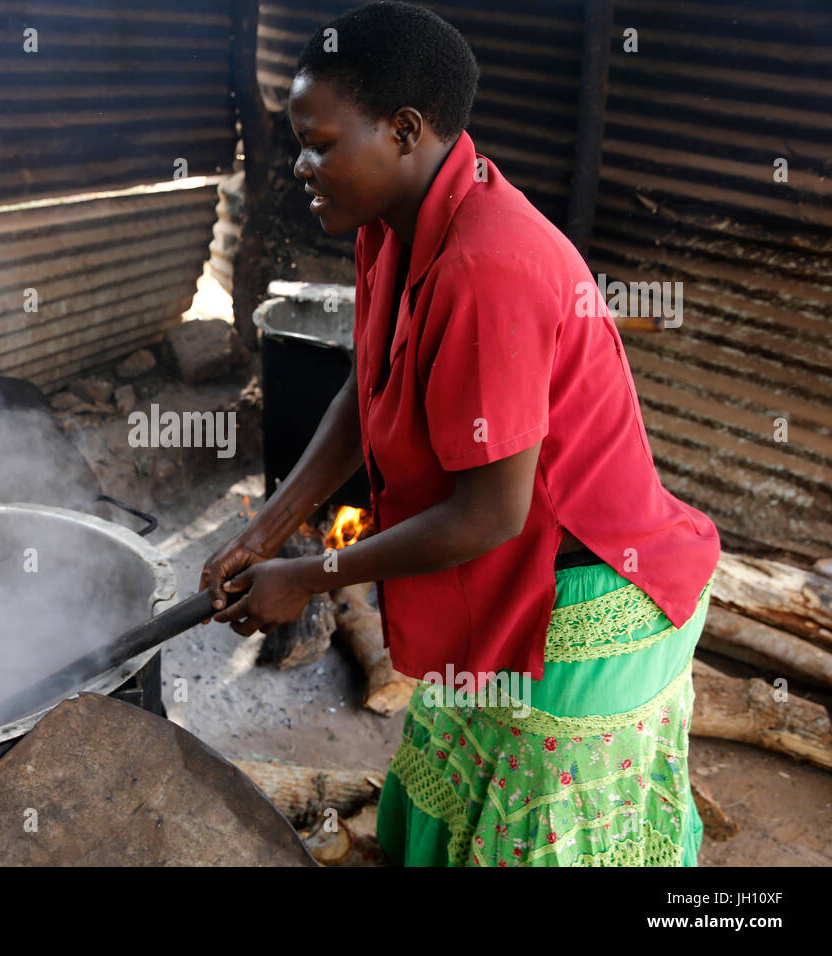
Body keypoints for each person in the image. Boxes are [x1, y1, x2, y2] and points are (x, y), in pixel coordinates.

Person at [200, 1, 720, 867]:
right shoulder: (394, 227)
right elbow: (367, 394)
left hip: (586, 593)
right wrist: (268, 528)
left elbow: (488, 517)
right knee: (446, 784)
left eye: (320, 143)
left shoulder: (488, 267)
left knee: (529, 837)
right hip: (509, 574)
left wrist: (311, 573)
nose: (299, 165)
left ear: (404, 131)